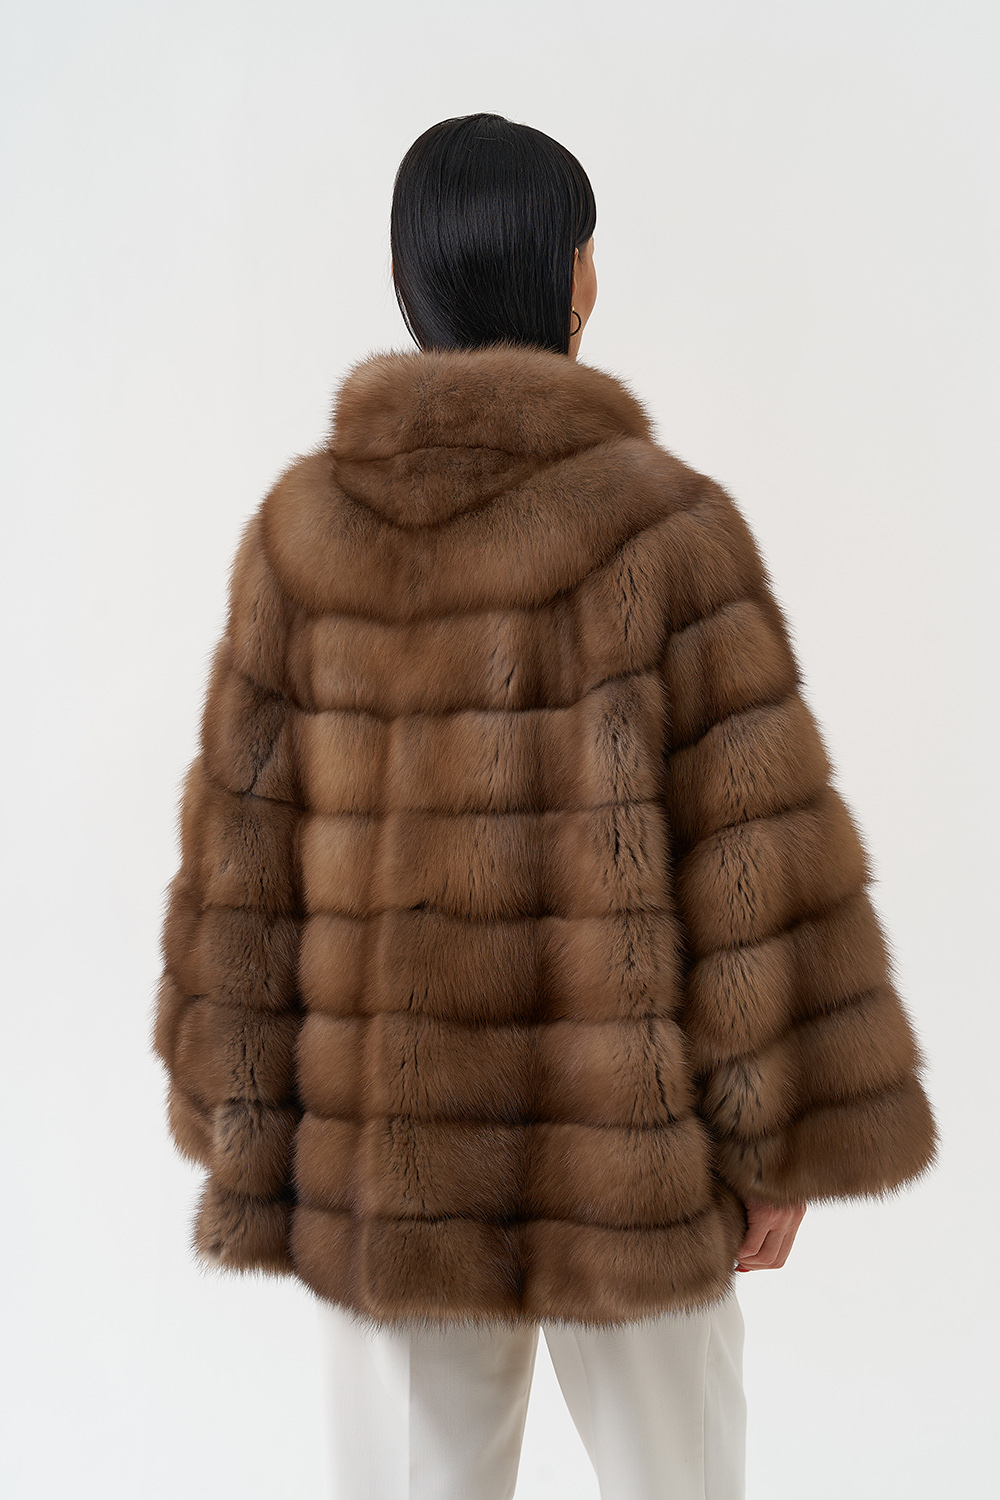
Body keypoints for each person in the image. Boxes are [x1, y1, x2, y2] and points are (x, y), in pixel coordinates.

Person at [151, 113, 939, 1499]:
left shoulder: (304, 539)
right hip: (632, 1161)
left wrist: (239, 1111)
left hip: (393, 1168)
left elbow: (242, 869)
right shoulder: (666, 531)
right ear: (558, 275)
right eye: (585, 247)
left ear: (415, 280)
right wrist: (780, 1134)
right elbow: (751, 858)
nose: (595, 277)